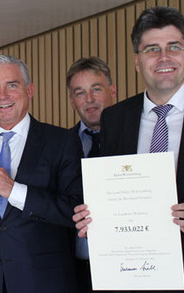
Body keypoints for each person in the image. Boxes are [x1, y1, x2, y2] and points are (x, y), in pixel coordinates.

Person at [73, 6, 184, 292]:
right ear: (137, 61)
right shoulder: (116, 118)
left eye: (174, 46)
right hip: (134, 275)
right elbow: (113, 193)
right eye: (151, 49)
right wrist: (94, 217)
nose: (163, 57)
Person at [0, 55, 83, 292]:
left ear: (30, 90)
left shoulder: (62, 141)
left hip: (43, 282)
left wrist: (14, 191)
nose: (2, 96)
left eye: (12, 85)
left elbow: (74, 210)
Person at [66, 56, 116, 292]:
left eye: (96, 89)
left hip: (125, 264)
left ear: (112, 91)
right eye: (80, 92)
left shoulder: (135, 140)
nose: (89, 100)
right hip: (74, 271)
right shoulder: (59, 146)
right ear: (72, 100)